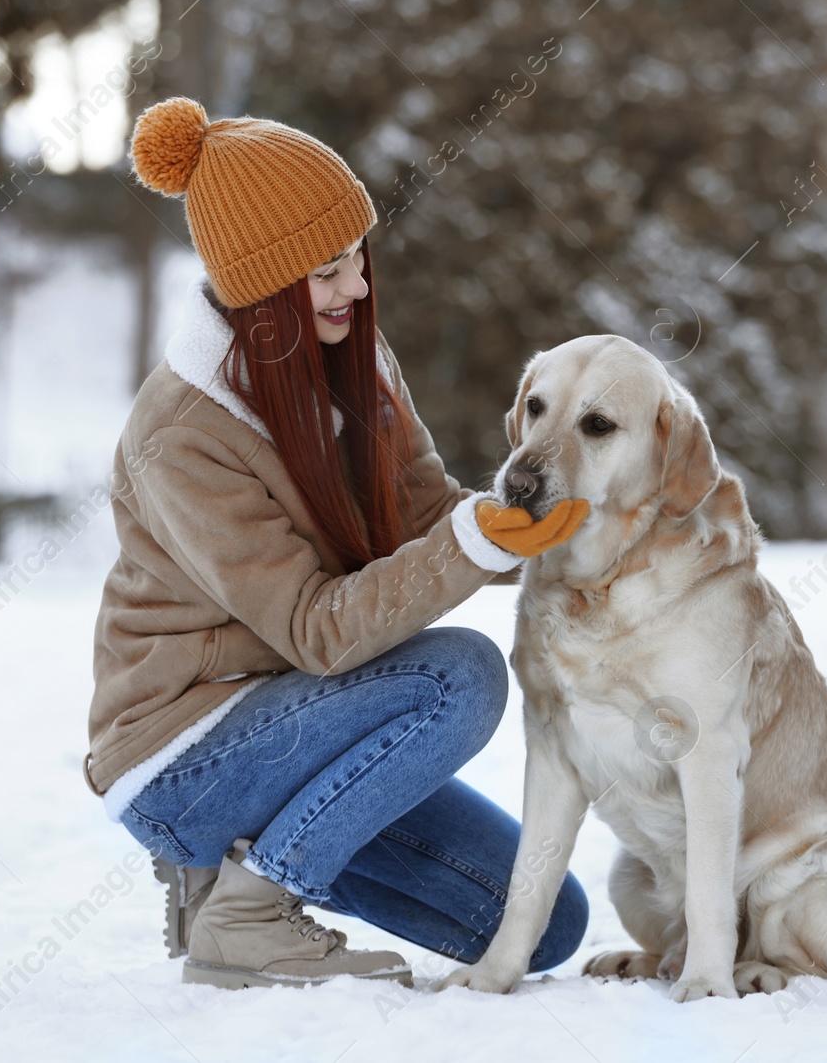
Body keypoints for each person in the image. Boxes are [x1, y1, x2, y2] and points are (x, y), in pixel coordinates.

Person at [82, 96, 591, 990]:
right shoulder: (184, 432)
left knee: (545, 920)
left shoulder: (352, 350)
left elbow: (432, 513)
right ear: (262, 291)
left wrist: (534, 532)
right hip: (184, 751)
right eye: (325, 272)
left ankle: (231, 878)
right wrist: (470, 545)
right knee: (460, 674)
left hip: (314, 724)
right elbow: (317, 630)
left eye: (357, 258)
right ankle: (250, 907)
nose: (355, 289)